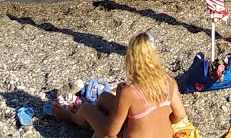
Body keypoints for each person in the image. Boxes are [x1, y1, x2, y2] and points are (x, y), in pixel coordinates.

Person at [52, 32, 187, 136]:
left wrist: (121, 97)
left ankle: (70, 117)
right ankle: (91, 119)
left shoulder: (130, 92)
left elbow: (111, 131)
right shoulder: (170, 82)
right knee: (104, 97)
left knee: (87, 108)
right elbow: (180, 115)